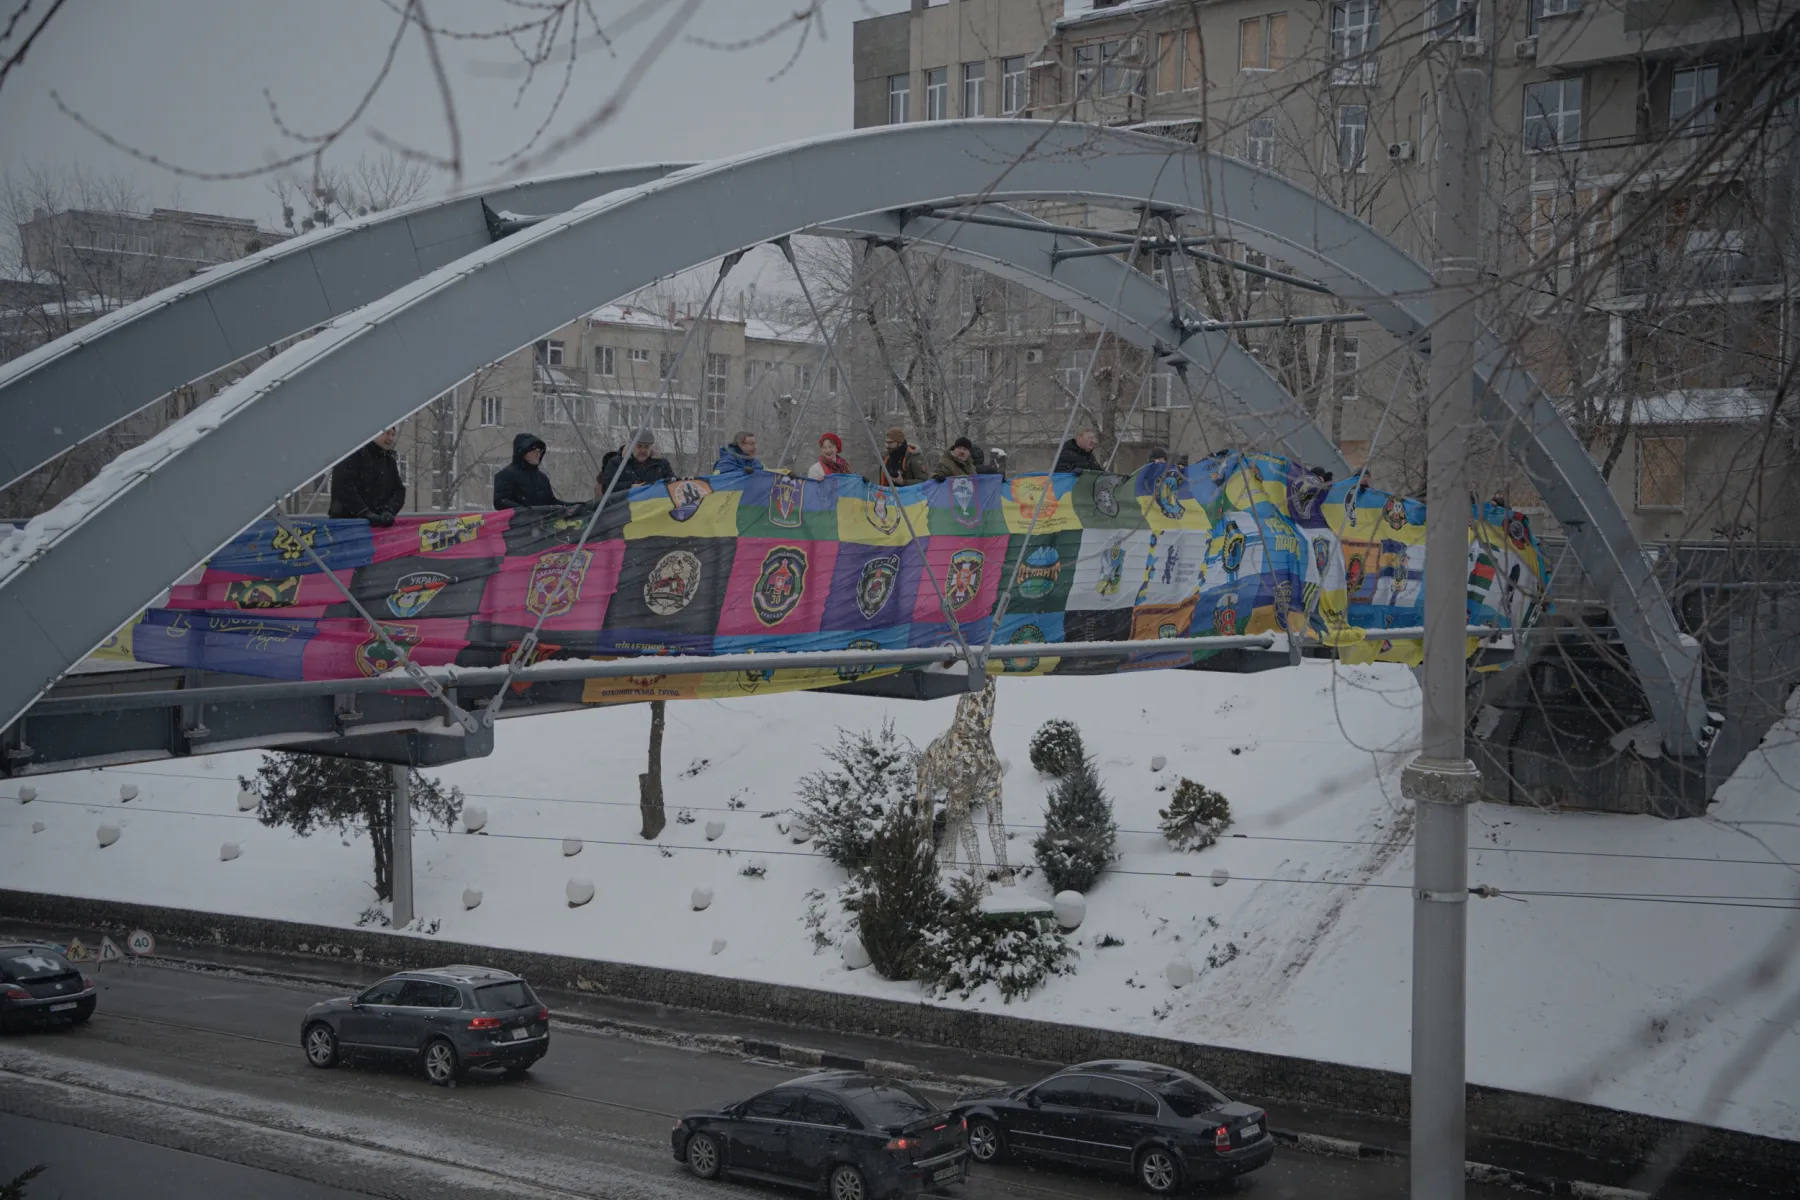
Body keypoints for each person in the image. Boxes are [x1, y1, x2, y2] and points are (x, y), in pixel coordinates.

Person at [329, 427, 407, 525]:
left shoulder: (389, 460)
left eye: (393, 434)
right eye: (387, 433)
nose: (390, 438)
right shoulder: (352, 453)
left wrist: (388, 510)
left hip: (375, 524)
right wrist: (364, 512)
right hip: (346, 523)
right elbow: (343, 486)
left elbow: (399, 490)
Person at [493, 432, 565, 510]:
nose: (538, 455)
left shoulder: (542, 478)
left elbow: (551, 502)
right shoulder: (506, 475)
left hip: (542, 518)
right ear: (522, 453)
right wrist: (525, 510)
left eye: (539, 452)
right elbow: (500, 502)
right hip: (519, 518)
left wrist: (570, 506)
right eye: (534, 452)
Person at [597, 433, 675, 495]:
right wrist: (630, 486)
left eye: (646, 447)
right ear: (631, 446)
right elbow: (607, 488)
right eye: (639, 446)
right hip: (625, 507)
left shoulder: (661, 463)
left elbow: (673, 483)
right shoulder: (617, 463)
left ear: (651, 447)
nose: (643, 450)